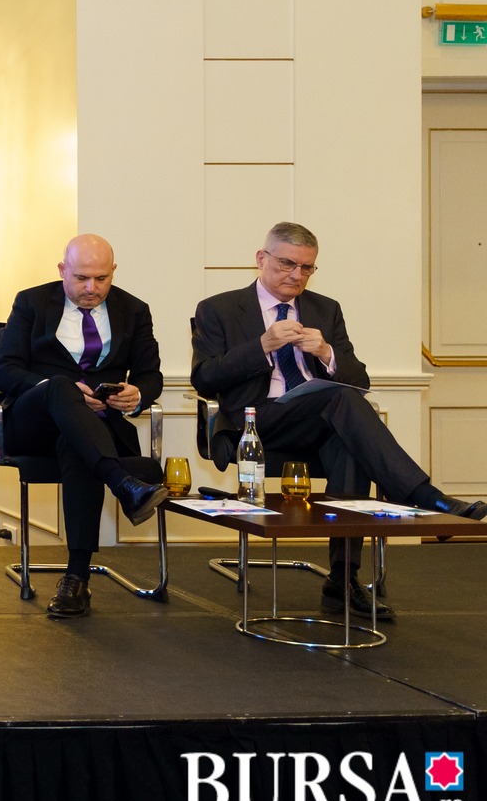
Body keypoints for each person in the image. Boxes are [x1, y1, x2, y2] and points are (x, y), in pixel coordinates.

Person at [193, 221, 487, 621]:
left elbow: (358, 379)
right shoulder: (219, 309)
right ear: (261, 259)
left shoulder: (324, 309)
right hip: (257, 420)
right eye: (287, 264)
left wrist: (327, 353)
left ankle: (342, 580)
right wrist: (262, 345)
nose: (297, 275)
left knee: (348, 439)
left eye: (307, 268)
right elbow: (205, 378)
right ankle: (424, 496)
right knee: (341, 400)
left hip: (320, 419)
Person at [0, 234, 169, 619]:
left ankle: (76, 579)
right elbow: (3, 371)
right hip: (34, 423)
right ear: (62, 271)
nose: (92, 288)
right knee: (60, 385)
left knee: (78, 444)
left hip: (96, 431)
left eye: (101, 279)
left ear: (114, 272)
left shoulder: (133, 310)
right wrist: (62, 391)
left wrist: (137, 394)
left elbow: (150, 375)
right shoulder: (32, 302)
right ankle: (122, 482)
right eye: (82, 278)